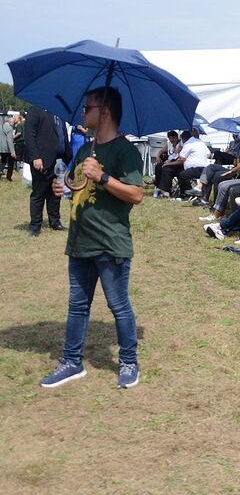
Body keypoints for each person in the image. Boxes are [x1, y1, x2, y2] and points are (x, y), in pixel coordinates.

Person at [40, 87, 144, 389]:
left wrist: (104, 177)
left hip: (110, 242)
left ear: (105, 112)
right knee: (77, 305)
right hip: (80, 241)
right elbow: (76, 184)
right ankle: (71, 362)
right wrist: (64, 187)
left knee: (118, 305)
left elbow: (136, 194)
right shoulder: (86, 149)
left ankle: (128, 362)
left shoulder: (125, 151)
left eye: (88, 108)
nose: (83, 113)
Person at [24, 105, 71, 237]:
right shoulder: (36, 109)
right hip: (42, 160)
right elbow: (29, 134)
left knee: (55, 194)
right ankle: (35, 227)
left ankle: (55, 222)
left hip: (60, 160)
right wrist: (35, 157)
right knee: (39, 193)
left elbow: (61, 134)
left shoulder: (59, 112)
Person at [0, 114, 15, 181]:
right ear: (10, 122)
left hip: (1, 148)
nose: (13, 124)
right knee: (11, 163)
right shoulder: (10, 128)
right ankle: (9, 177)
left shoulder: (0, 127)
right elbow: (9, 140)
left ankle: (0, 171)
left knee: (3, 161)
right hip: (8, 149)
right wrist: (12, 152)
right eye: (13, 122)